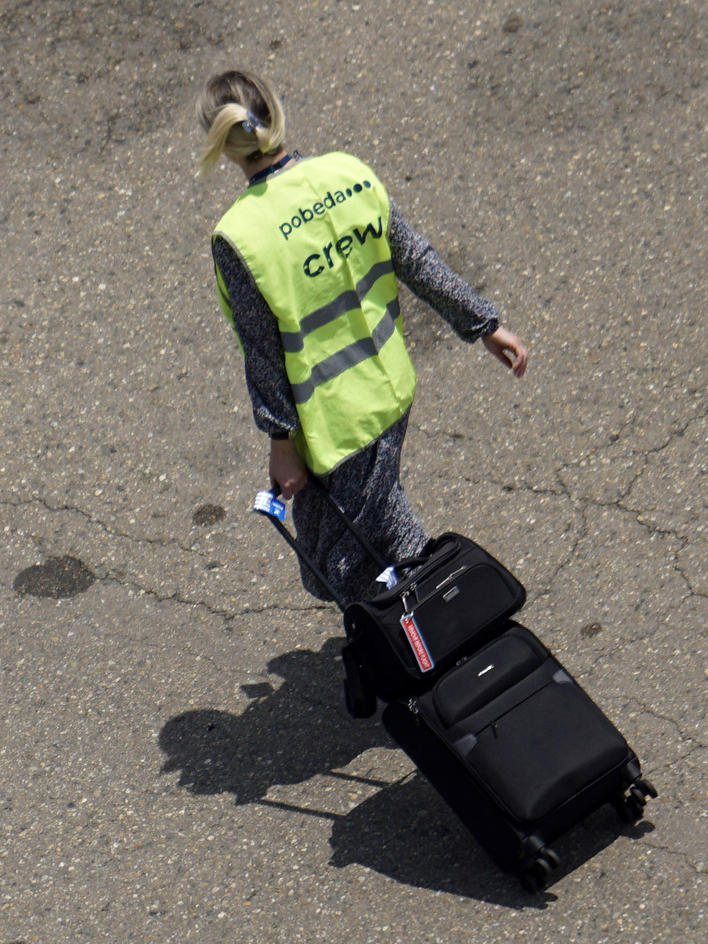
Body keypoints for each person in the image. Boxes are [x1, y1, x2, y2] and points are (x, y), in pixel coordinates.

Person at [199, 66, 530, 617]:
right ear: (276, 112)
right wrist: (484, 324)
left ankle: (441, 637)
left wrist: (281, 444)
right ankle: (431, 622)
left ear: (224, 146)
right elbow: (416, 260)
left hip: (333, 422)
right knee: (364, 530)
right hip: (387, 386)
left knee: (347, 564)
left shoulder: (241, 236)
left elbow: (263, 351)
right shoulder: (348, 174)